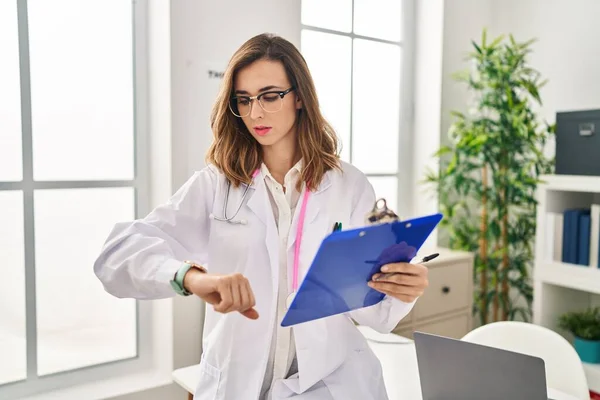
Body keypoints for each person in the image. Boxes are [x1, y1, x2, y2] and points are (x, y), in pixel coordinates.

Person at [94, 33, 429, 400]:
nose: (255, 113)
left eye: (270, 96)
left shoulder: (348, 185)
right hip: (240, 386)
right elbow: (116, 256)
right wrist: (190, 278)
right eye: (244, 100)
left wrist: (401, 288)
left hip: (330, 384)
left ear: (299, 96)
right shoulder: (217, 184)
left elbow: (376, 317)